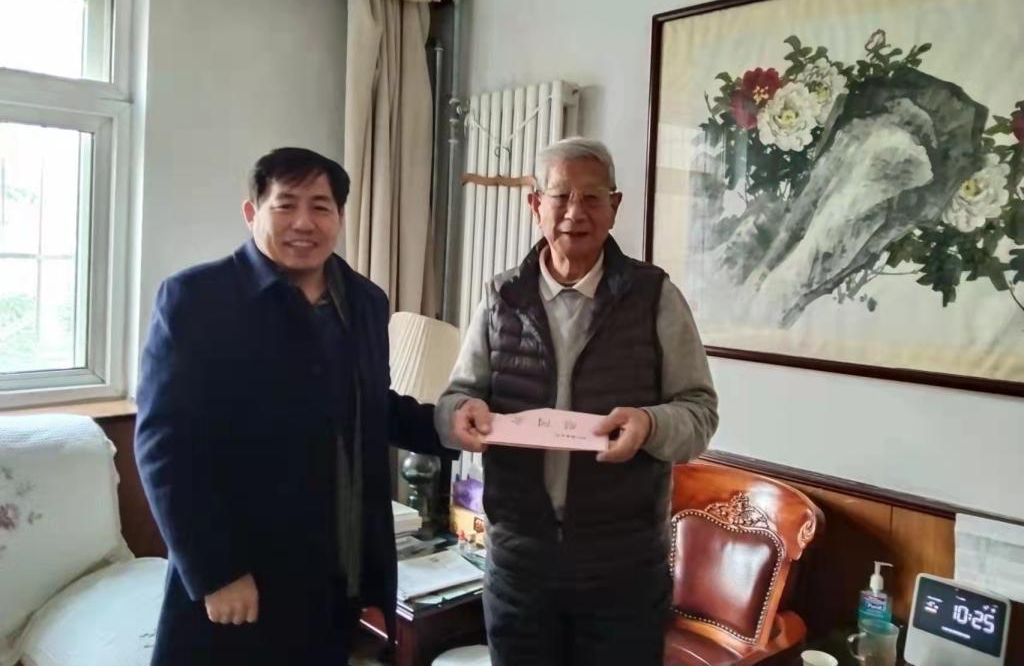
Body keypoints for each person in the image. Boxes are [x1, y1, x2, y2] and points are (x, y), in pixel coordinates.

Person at [136, 147, 450, 665]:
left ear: (340, 217)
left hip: (335, 580)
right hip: (243, 579)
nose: (304, 222)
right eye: (285, 205)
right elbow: (164, 445)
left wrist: (452, 426)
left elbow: (369, 406)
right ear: (252, 212)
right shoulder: (197, 299)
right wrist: (215, 572)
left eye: (321, 207)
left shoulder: (365, 302)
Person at [436, 137, 719, 666]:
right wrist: (458, 415)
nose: (575, 212)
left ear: (615, 206)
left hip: (622, 571)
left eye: (592, 198)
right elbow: (457, 397)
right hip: (519, 567)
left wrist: (649, 425)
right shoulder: (501, 297)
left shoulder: (655, 297)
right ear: (535, 204)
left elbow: (700, 412)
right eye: (561, 196)